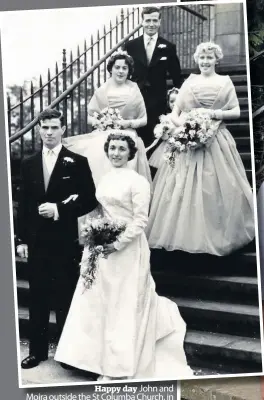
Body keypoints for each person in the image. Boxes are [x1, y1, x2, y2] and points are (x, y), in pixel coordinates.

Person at [54, 133, 193, 380]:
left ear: (131, 153)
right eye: (112, 148)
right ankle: (90, 360)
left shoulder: (137, 181)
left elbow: (140, 220)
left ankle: (118, 364)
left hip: (127, 250)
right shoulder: (105, 178)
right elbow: (99, 209)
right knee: (97, 301)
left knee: (122, 303)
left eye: (121, 149)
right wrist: (93, 234)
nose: (116, 153)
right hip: (101, 247)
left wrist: (117, 243)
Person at [146, 42, 255, 256]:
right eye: (202, 58)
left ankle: (217, 233)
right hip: (189, 142)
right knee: (181, 189)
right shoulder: (189, 82)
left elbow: (236, 111)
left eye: (210, 58)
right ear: (197, 60)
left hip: (217, 141)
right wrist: (186, 127)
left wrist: (211, 116)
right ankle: (184, 237)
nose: (205, 62)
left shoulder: (225, 82)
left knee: (215, 186)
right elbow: (175, 113)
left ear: (217, 60)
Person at [16, 109, 97, 369]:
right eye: (44, 128)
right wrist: (21, 240)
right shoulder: (28, 163)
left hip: (64, 241)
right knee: (37, 296)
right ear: (39, 130)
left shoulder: (77, 161)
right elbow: (24, 205)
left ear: (64, 130)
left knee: (64, 296)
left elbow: (89, 199)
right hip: (37, 241)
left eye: (54, 127)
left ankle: (66, 353)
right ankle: (37, 352)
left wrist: (60, 209)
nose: (49, 132)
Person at [63, 51, 152, 189]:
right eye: (117, 67)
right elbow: (89, 117)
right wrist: (100, 122)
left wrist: (128, 123)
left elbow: (144, 119)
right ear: (111, 69)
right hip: (105, 133)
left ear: (129, 71)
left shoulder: (134, 89)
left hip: (127, 133)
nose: (121, 71)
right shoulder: (102, 90)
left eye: (124, 68)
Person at [123, 6, 181, 148]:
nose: (151, 24)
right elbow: (125, 72)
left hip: (158, 99)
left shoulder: (168, 47)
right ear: (142, 22)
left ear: (159, 22)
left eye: (154, 20)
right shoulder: (131, 46)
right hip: (136, 97)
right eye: (148, 20)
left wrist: (179, 101)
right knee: (137, 137)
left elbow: (177, 76)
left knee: (156, 136)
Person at [148, 87, 179, 170]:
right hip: (168, 147)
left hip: (181, 146)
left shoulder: (183, 117)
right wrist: (164, 131)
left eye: (177, 101)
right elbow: (164, 137)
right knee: (168, 168)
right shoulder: (166, 118)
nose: (174, 104)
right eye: (171, 101)